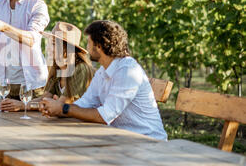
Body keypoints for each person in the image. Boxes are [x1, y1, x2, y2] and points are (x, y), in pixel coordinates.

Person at [40, 20, 168, 141]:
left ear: (99, 46)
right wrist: (57, 108)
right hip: (121, 139)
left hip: (147, 141)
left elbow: (105, 116)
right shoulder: (103, 72)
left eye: (89, 43)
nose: (86, 47)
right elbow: (85, 103)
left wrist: (63, 108)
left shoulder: (127, 71)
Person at [0, 22, 94, 111]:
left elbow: (61, 105)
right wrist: (23, 105)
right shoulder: (57, 69)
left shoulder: (81, 69)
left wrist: (24, 105)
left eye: (53, 44)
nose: (48, 47)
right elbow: (44, 98)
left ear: (66, 48)